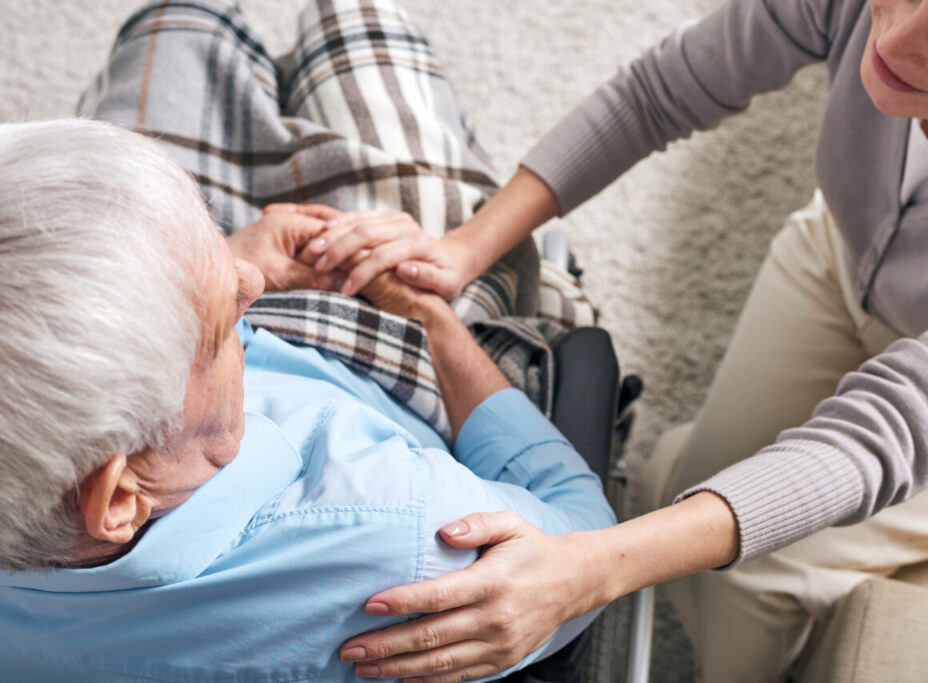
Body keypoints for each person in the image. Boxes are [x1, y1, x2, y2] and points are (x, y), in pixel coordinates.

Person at [320, 0, 928, 681]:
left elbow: (887, 433)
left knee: (748, 584)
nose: (894, 39)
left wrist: (596, 567)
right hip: (836, 257)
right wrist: (467, 246)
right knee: (679, 495)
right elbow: (661, 92)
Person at [0, 118, 616, 680]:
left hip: (203, 352)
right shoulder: (407, 537)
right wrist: (434, 321)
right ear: (121, 497)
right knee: (360, 40)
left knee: (178, 18)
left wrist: (208, 267)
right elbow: (582, 529)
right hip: (413, 373)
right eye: (217, 338)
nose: (254, 283)